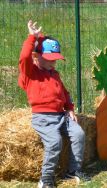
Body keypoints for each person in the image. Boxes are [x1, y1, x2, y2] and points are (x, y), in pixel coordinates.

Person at [18, 21, 89, 188]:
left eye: (56, 59)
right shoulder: (30, 73)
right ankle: (46, 178)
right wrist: (33, 38)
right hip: (42, 118)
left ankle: (73, 170)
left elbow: (65, 93)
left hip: (61, 115)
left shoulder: (54, 74)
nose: (53, 62)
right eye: (50, 59)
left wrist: (69, 108)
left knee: (79, 134)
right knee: (54, 142)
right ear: (36, 57)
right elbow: (24, 57)